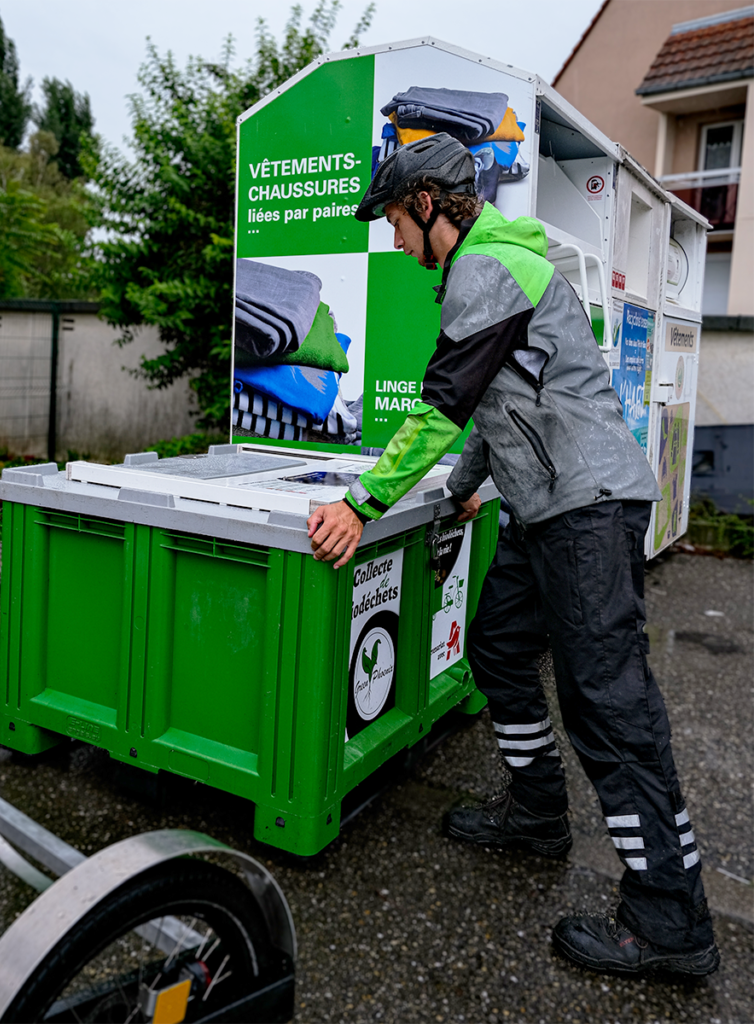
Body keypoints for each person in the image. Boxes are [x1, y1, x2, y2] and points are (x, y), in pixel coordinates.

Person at [305, 133, 719, 977]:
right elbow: (500, 398)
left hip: (584, 510)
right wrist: (464, 483)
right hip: (545, 510)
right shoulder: (490, 267)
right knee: (496, 646)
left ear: (426, 205)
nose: (390, 238)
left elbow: (443, 400)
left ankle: (672, 920)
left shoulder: (488, 267)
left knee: (610, 705)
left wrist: (361, 504)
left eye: (391, 218)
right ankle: (536, 815)